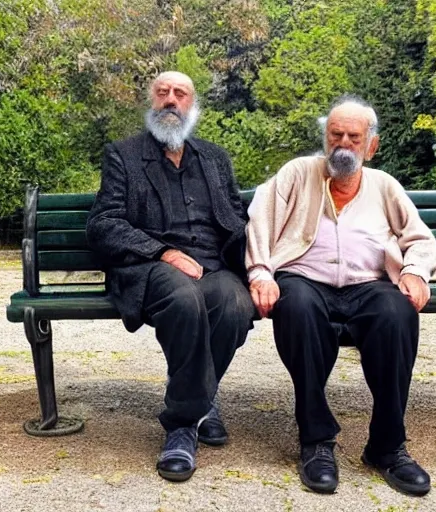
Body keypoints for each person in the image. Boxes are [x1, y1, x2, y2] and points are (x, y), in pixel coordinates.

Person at [245, 95, 436, 496]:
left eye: (354, 136)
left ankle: (387, 446)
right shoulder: (297, 173)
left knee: (397, 312)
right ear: (325, 138)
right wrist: (261, 273)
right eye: (336, 135)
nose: (343, 144)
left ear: (372, 145)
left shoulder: (384, 186)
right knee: (295, 305)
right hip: (305, 280)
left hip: (369, 285)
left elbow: (420, 240)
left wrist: (415, 272)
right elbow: (259, 225)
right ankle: (316, 442)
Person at [86, 71, 255, 482]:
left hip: (213, 266)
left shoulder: (214, 158)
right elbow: (103, 223)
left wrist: (259, 260)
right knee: (184, 299)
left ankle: (199, 396)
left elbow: (237, 219)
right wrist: (164, 251)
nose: (170, 100)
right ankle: (183, 425)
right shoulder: (123, 155)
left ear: (192, 104)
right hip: (153, 266)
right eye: (162, 92)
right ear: (151, 100)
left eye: (180, 93)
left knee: (234, 303)